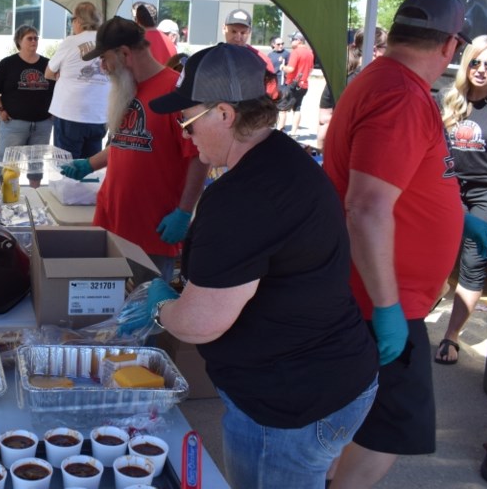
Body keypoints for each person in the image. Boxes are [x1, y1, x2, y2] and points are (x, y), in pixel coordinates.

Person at [129, 43, 378, 488]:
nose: (184, 134)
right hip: (337, 379)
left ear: (224, 113)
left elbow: (200, 324)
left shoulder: (242, 197)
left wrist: (161, 306)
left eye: (187, 120)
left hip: (289, 403)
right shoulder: (283, 156)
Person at [323, 0, 487, 488]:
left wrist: (459, 217)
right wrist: (386, 306)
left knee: (356, 417)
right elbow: (366, 205)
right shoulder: (400, 94)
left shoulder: (385, 81)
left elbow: (398, 182)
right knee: (392, 428)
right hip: (379, 298)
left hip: (381, 294)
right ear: (450, 45)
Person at [61, 17, 208, 280]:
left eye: (105, 59)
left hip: (150, 232)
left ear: (125, 53)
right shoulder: (127, 88)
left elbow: (199, 157)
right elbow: (126, 143)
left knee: (140, 310)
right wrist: (89, 164)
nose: (103, 67)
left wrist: (184, 211)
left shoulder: (176, 93)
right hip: (111, 220)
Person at [436, 35, 487, 365]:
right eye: (475, 62)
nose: (482, 70)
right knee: (433, 249)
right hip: (449, 189)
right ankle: (428, 299)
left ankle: (450, 336)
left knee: (473, 256)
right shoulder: (447, 98)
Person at [0, 24, 54, 186]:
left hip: (42, 123)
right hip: (14, 123)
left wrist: (53, 113)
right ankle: (4, 195)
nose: (34, 41)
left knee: (36, 163)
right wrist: (0, 110)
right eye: (29, 38)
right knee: (7, 162)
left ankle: (35, 195)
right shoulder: (7, 64)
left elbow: (59, 90)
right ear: (19, 41)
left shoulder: (48, 64)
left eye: (36, 38)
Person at [44, 1, 109, 159]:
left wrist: (61, 74)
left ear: (79, 20)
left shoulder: (70, 42)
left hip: (70, 113)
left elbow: (48, 73)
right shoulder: (109, 43)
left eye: (72, 19)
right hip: (99, 115)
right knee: (91, 168)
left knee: (66, 168)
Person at [315, 27, 387, 151]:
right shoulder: (378, 81)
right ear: (375, 50)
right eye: (387, 47)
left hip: (336, 151)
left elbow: (324, 119)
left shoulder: (341, 77)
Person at [222, 9, 279, 99]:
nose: (238, 37)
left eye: (243, 33)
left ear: (249, 32)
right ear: (224, 29)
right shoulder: (210, 57)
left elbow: (271, 94)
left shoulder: (262, 60)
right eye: (233, 31)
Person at [277, 31, 315, 137]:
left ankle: (279, 131)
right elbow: (311, 69)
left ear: (298, 40)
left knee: (282, 108)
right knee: (297, 108)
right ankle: (293, 132)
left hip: (293, 85)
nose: (291, 42)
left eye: (292, 39)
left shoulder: (296, 52)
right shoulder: (310, 52)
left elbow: (290, 69)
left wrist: (282, 67)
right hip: (303, 85)